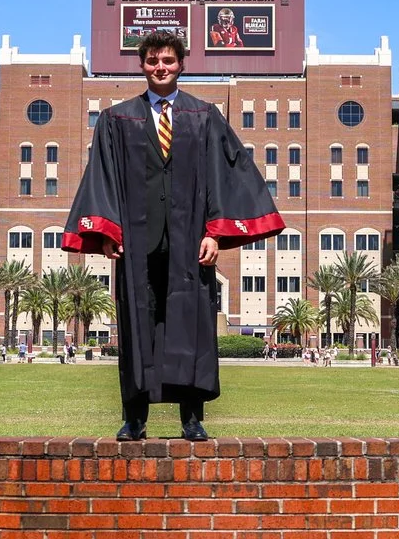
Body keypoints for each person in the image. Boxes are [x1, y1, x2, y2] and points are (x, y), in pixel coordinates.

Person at [61, 29, 281, 440]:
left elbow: (224, 174)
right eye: (152, 61)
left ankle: (192, 418)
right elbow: (102, 177)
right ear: (142, 65)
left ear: (181, 64)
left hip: (189, 241)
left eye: (167, 60)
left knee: (191, 324)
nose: (160, 68)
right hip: (136, 243)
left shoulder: (204, 116)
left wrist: (215, 232)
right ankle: (135, 418)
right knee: (136, 325)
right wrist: (108, 230)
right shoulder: (116, 120)